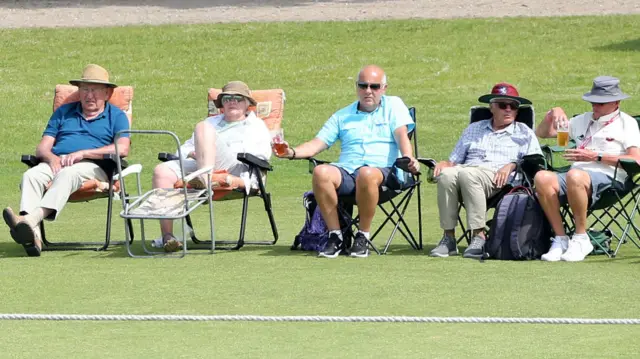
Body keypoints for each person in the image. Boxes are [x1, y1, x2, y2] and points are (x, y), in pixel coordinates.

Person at [273, 65, 420, 258]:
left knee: (366, 173)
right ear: (356, 87)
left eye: (374, 86)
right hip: (348, 172)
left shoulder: (393, 105)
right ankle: (336, 237)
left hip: (385, 174)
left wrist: (409, 158)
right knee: (321, 172)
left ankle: (363, 237)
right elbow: (317, 144)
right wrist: (290, 152)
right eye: (363, 85)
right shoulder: (342, 115)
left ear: (384, 88)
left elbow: (402, 135)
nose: (368, 91)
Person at [2, 64, 131, 257]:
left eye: (95, 90)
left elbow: (122, 148)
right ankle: (32, 237)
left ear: (107, 93)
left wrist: (83, 153)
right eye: (85, 89)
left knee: (68, 173)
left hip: (94, 167)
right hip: (58, 162)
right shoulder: (64, 112)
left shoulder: (116, 116)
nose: (89, 95)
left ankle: (28, 220)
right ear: (79, 92)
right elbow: (42, 147)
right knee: (31, 175)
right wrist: (51, 158)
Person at [151, 81, 272, 252]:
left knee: (203, 128)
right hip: (203, 165)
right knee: (161, 171)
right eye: (227, 98)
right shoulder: (212, 121)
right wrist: (195, 153)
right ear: (222, 103)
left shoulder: (256, 126)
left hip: (234, 166)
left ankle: (204, 178)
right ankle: (168, 236)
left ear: (247, 104)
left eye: (238, 98)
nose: (232, 101)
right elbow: (184, 149)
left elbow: (262, 158)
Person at [430, 83, 542, 259]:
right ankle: (449, 238)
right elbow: (454, 160)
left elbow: (535, 161)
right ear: (491, 107)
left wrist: (512, 164)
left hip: (498, 178)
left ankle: (479, 236)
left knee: (468, 174)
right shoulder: (474, 128)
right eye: (503, 105)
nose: (509, 110)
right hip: (465, 171)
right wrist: (445, 163)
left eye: (513, 106)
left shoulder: (524, 131)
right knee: (446, 175)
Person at [534, 76, 640, 262]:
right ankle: (560, 239)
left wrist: (596, 156)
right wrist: (553, 113)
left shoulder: (627, 123)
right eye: (593, 101)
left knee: (574, 175)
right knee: (542, 177)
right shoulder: (582, 120)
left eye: (601, 102)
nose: (595, 106)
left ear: (616, 102)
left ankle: (581, 238)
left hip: (611, 180)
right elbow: (542, 133)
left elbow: (636, 160)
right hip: (576, 177)